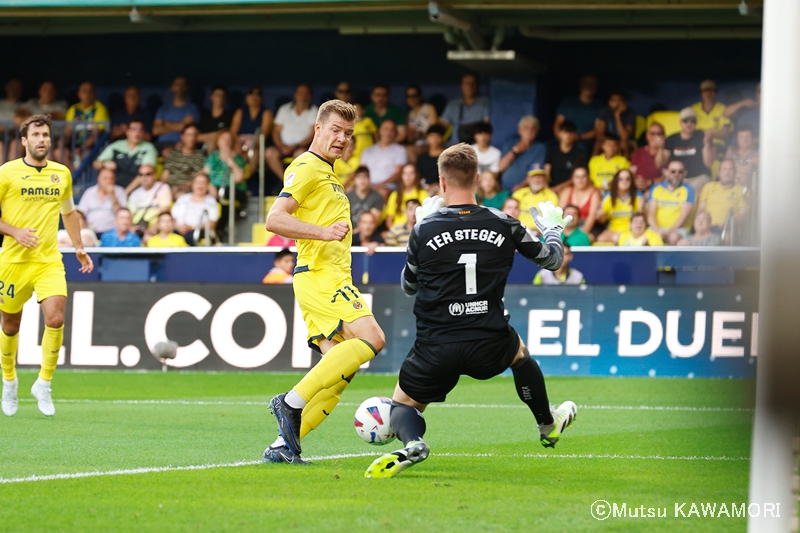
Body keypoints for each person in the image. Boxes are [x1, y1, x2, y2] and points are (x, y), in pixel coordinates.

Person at [364, 144, 576, 478]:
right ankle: (547, 426)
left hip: (436, 346)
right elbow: (553, 260)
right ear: (477, 179)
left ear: (442, 183)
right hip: (489, 340)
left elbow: (409, 286)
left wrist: (420, 230)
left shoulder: (424, 230)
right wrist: (553, 230)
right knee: (520, 355)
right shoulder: (505, 223)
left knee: (403, 405)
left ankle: (413, 441)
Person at [263, 99, 386, 464]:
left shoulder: (329, 174)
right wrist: (323, 232)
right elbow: (274, 219)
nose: (342, 139)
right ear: (317, 129)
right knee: (372, 338)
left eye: (348, 134)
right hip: (321, 276)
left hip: (323, 277)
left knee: (338, 374)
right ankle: (289, 403)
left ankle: (283, 446)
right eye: (335, 130)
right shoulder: (306, 166)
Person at [0, 114, 94, 418]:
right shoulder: (7, 173)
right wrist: (15, 232)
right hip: (13, 260)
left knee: (55, 318)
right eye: (36, 135)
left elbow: (69, 213)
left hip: (49, 260)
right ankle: (9, 381)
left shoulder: (61, 174)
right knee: (10, 325)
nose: (42, 139)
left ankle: (44, 383)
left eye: (46, 135)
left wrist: (79, 248)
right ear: (25, 141)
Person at [265, 83, 318, 179]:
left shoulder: (314, 111)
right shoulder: (284, 109)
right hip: (282, 147)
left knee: (301, 155)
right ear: (295, 95)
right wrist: (281, 146)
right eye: (300, 93)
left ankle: (294, 182)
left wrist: (295, 146)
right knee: (269, 153)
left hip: (301, 147)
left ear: (311, 96)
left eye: (306, 94)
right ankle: (285, 181)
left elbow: (312, 134)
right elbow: (276, 131)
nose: (303, 96)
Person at [93, 119, 158, 191]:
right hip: (114, 189)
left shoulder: (148, 148)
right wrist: (104, 163)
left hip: (139, 190)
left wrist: (125, 193)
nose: (137, 132)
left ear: (143, 133)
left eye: (140, 129)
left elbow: (145, 174)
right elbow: (96, 164)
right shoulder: (116, 146)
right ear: (127, 132)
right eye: (133, 129)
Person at [664, 107, 715, 195]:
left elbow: (709, 163)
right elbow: (661, 164)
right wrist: (661, 147)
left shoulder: (702, 136)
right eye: (686, 121)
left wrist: (707, 143)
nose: (689, 123)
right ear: (680, 123)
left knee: (692, 195)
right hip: (677, 177)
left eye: (692, 121)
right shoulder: (671, 139)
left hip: (699, 177)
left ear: (696, 123)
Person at [646, 160, 695, 245]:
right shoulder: (656, 188)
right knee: (645, 239)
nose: (676, 174)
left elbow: (683, 217)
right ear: (667, 172)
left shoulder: (688, 190)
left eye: (680, 172)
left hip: (678, 230)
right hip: (656, 228)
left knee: (673, 237)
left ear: (685, 173)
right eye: (673, 171)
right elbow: (651, 214)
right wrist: (658, 230)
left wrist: (669, 232)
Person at [553, 75, 602, 155]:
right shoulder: (568, 102)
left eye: (592, 84)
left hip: (583, 141)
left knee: (580, 150)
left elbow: (597, 130)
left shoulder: (599, 106)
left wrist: (579, 137)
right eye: (586, 84)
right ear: (581, 85)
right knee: (547, 147)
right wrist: (561, 137)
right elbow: (557, 123)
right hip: (563, 138)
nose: (589, 87)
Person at [697, 158, 749, 231]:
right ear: (719, 173)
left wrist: (730, 223)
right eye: (724, 169)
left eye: (731, 169)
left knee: (727, 237)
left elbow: (743, 214)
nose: (727, 172)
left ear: (735, 173)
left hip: (728, 229)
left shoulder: (742, 190)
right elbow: (701, 209)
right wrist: (702, 223)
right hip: (707, 228)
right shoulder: (709, 186)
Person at [359, 119, 407, 197]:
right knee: (350, 190)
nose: (388, 132)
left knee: (383, 192)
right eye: (386, 129)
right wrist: (367, 184)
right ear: (380, 131)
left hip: (388, 185)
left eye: (392, 130)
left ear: (395, 133)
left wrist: (379, 185)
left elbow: (397, 174)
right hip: (368, 184)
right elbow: (362, 171)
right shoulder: (368, 151)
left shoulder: (400, 150)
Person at [152, 76, 201, 152]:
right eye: (177, 84)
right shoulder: (163, 108)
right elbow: (155, 131)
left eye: (182, 84)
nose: (179, 87)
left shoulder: (192, 108)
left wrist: (166, 124)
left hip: (181, 143)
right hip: (160, 144)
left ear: (186, 88)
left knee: (168, 152)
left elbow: (189, 130)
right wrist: (182, 124)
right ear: (172, 87)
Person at [498, 115, 547, 191]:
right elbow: (501, 167)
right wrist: (514, 151)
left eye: (533, 128)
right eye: (526, 127)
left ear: (536, 132)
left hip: (526, 190)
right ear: (519, 130)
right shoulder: (510, 144)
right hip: (503, 189)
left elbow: (536, 172)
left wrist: (521, 186)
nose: (529, 131)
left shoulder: (540, 148)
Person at [64, 81, 110, 159]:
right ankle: (70, 171)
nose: (87, 94)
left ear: (95, 94)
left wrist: (82, 148)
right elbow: (67, 132)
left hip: (92, 147)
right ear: (79, 94)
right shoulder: (73, 109)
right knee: (59, 152)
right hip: (73, 145)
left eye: (90, 91)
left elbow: (97, 134)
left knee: (86, 154)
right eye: (84, 91)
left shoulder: (100, 109)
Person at [440, 73, 490, 145]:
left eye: (473, 83)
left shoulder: (484, 102)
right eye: (467, 83)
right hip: (455, 144)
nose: (470, 86)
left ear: (477, 86)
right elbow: (443, 125)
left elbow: (487, 124)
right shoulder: (453, 104)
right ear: (462, 86)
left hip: (476, 144)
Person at [596, 169, 643, 244]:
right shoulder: (608, 196)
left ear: (632, 182)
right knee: (600, 239)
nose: (624, 181)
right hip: (613, 230)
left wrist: (642, 209)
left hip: (632, 231)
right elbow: (602, 221)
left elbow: (643, 218)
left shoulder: (638, 195)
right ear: (616, 181)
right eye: (621, 179)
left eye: (628, 179)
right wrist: (600, 215)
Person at [171, 172, 218, 246]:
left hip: (199, 231)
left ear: (208, 185)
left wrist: (191, 227)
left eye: (203, 182)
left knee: (191, 237)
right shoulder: (183, 198)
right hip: (179, 229)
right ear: (192, 184)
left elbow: (212, 223)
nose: (200, 185)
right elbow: (172, 218)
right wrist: (178, 227)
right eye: (198, 182)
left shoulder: (211, 201)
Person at [78, 167, 126, 238]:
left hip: (113, 233)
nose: (108, 181)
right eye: (105, 178)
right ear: (98, 179)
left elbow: (121, 213)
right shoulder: (89, 192)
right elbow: (80, 213)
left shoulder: (119, 191)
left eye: (111, 178)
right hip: (91, 232)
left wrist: (112, 195)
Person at [160, 124, 205, 198]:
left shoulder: (199, 156)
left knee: (180, 196)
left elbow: (196, 179)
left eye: (194, 135)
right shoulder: (172, 154)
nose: (192, 138)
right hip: (168, 189)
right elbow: (165, 176)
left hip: (186, 191)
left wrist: (179, 188)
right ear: (182, 137)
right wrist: (163, 189)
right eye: (189, 135)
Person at [127, 164, 172, 236]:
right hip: (138, 228)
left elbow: (165, 211)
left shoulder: (162, 187)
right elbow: (130, 215)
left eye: (147, 174)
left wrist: (155, 227)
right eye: (141, 175)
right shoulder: (134, 193)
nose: (144, 177)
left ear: (154, 175)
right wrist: (130, 228)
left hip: (156, 228)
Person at [230, 86, 273, 158]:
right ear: (246, 97)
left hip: (256, 145)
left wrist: (251, 146)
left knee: (254, 153)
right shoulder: (240, 112)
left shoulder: (266, 113)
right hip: (240, 143)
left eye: (257, 94)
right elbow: (233, 132)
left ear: (262, 98)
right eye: (251, 94)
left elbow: (263, 134)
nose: (254, 97)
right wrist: (237, 145)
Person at [545, 120, 587, 194]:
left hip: (571, 189)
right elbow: (546, 172)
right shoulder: (552, 150)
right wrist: (547, 188)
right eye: (565, 132)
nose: (568, 135)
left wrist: (559, 188)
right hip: (551, 189)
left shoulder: (579, 153)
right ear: (560, 133)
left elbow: (577, 176)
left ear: (575, 135)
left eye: (570, 133)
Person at [557, 167, 599, 237]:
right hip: (567, 226)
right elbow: (559, 214)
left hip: (586, 227)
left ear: (588, 178)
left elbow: (592, 216)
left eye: (583, 176)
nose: (580, 180)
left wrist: (581, 236)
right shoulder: (567, 191)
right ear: (572, 179)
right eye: (577, 177)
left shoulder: (594, 193)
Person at [383, 163, 428, 229]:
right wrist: (396, 233)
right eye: (405, 173)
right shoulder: (394, 195)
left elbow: (426, 218)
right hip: (397, 231)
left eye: (411, 173)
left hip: (416, 230)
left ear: (416, 175)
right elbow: (389, 220)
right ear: (401, 176)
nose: (408, 176)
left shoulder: (423, 194)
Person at [630, 121, 669, 192]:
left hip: (658, 190)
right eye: (652, 133)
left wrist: (650, 182)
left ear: (663, 136)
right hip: (638, 189)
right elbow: (632, 173)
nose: (656, 136)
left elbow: (665, 176)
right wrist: (638, 182)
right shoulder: (638, 152)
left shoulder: (667, 153)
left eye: (659, 134)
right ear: (647, 136)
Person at [594, 90, 635, 156]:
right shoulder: (605, 111)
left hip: (626, 141)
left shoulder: (630, 113)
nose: (617, 103)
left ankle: (624, 165)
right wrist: (608, 142)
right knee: (598, 142)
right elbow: (599, 133)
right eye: (614, 100)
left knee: (624, 144)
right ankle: (592, 163)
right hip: (609, 138)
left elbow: (624, 136)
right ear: (609, 102)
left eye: (620, 100)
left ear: (625, 102)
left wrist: (617, 116)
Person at [405, 85, 438, 150]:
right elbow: (409, 139)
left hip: (429, 144)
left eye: (414, 95)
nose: (412, 99)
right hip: (415, 145)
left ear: (420, 96)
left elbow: (434, 132)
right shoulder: (408, 114)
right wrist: (411, 135)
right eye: (408, 96)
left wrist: (419, 133)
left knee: (409, 150)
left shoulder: (429, 108)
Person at [416, 124, 446, 189]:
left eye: (437, 136)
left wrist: (438, 185)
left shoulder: (448, 157)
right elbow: (419, 176)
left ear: (442, 138)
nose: (434, 139)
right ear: (427, 138)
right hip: (425, 189)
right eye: (432, 136)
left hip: (443, 188)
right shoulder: (422, 158)